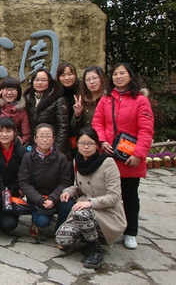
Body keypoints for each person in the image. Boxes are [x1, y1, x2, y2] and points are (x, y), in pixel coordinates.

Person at [92, 62, 154, 250]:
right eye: (115, 74)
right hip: (108, 154)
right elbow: (97, 122)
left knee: (129, 195)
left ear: (130, 76)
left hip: (129, 157)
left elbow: (146, 130)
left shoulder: (140, 100)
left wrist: (139, 154)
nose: (118, 77)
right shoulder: (106, 99)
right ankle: (107, 228)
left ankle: (131, 231)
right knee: (106, 194)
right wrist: (102, 140)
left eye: (122, 73)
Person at [56, 127, 127, 269]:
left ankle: (95, 249)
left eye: (90, 143)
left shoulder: (108, 163)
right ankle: (87, 237)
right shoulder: (77, 162)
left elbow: (114, 196)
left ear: (97, 145)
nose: (86, 147)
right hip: (86, 211)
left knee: (81, 213)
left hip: (107, 212)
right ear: (77, 145)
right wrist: (68, 191)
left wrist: (90, 203)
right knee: (63, 239)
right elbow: (79, 187)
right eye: (82, 143)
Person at [18, 123, 73, 239]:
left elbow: (65, 182)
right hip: (37, 198)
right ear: (35, 139)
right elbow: (24, 182)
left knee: (68, 203)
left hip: (55, 197)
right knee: (42, 222)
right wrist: (40, 199)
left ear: (53, 139)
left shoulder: (61, 158)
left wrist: (53, 198)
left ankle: (60, 231)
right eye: (42, 136)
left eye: (48, 136)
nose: (45, 139)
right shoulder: (28, 157)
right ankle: (37, 221)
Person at [23, 69, 69, 155]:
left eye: (43, 80)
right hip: (34, 144)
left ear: (49, 82)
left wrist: (57, 149)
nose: (40, 83)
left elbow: (63, 127)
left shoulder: (58, 99)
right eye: (37, 80)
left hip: (52, 145)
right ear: (32, 82)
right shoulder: (27, 99)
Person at [0, 77, 31, 145]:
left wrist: (19, 143)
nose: (9, 93)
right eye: (6, 90)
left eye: (13, 90)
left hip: (14, 144)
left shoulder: (21, 110)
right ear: (1, 91)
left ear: (18, 92)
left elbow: (26, 134)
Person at [72, 66, 106, 133]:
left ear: (101, 78)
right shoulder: (81, 99)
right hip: (84, 137)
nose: (91, 82)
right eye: (87, 80)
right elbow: (73, 128)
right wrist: (77, 114)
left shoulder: (109, 98)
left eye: (95, 78)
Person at [57, 62, 80, 157]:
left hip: (79, 134)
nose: (67, 78)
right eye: (63, 75)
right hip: (62, 137)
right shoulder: (55, 93)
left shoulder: (82, 91)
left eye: (70, 74)